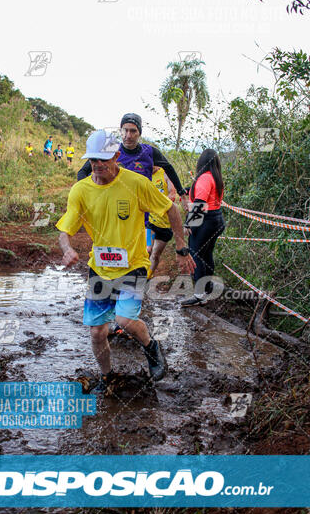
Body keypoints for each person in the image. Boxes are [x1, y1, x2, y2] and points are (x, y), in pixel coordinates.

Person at [56, 129, 195, 393]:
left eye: (103, 159)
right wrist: (67, 249)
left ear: (116, 156)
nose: (97, 165)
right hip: (100, 268)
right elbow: (65, 230)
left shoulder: (136, 184)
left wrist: (180, 246)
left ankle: (151, 347)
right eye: (93, 160)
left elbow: (170, 209)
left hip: (133, 264)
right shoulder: (81, 190)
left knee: (124, 320)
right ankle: (108, 377)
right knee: (97, 332)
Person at [181, 149, 225, 307]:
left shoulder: (205, 178)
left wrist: (188, 224)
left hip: (205, 220)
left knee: (196, 255)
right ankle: (206, 288)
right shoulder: (215, 177)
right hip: (216, 219)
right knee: (206, 255)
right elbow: (201, 195)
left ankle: (199, 295)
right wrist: (184, 190)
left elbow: (199, 203)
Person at [147, 166, 176, 275]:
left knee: (155, 255)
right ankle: (140, 277)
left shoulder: (165, 173)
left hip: (165, 224)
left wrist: (159, 205)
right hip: (150, 222)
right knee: (147, 250)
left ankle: (148, 277)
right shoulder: (145, 174)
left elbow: (172, 194)